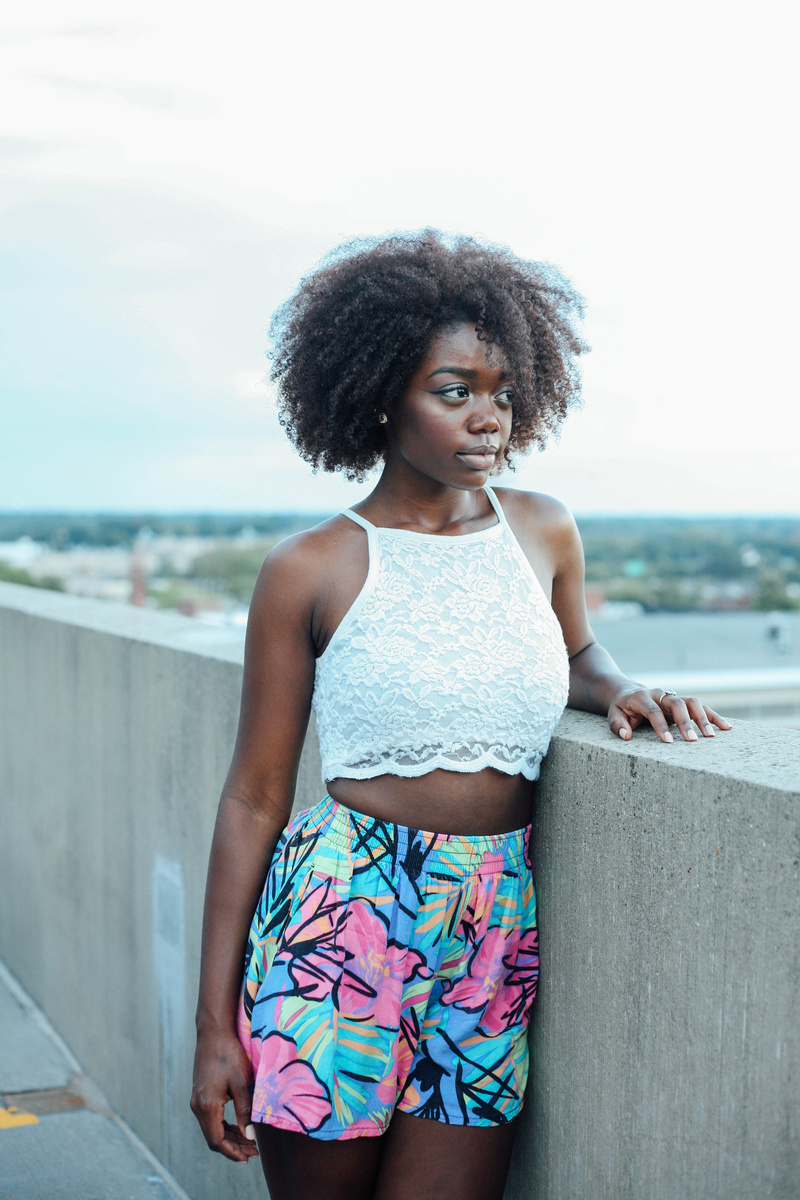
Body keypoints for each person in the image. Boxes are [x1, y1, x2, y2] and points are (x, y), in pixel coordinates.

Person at [190, 232, 731, 1200]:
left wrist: (621, 689)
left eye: (503, 393)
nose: (489, 420)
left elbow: (568, 655)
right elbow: (252, 799)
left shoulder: (542, 529)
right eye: (453, 391)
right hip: (342, 917)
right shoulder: (310, 568)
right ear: (375, 394)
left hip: (494, 925)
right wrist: (211, 1030)